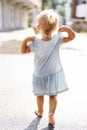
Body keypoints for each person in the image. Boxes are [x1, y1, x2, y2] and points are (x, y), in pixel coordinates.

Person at [21, 10, 75, 128]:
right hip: (54, 73)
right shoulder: (57, 38)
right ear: (56, 26)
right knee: (53, 96)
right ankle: (51, 114)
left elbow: (23, 51)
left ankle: (40, 111)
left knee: (39, 95)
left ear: (39, 27)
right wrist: (67, 29)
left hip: (39, 74)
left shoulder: (35, 42)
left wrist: (26, 40)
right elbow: (72, 37)